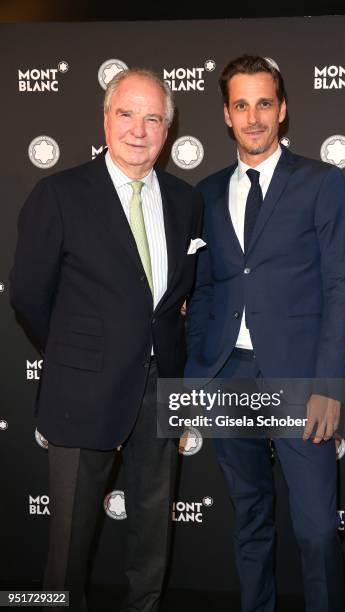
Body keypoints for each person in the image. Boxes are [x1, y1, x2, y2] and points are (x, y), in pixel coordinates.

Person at [10, 68, 202, 612]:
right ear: (105, 119)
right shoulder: (61, 194)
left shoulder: (186, 202)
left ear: (167, 129)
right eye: (126, 114)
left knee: (151, 534)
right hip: (81, 392)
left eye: (152, 118)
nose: (138, 130)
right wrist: (77, 356)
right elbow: (29, 296)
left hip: (161, 387)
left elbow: (176, 302)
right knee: (68, 541)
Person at [185, 55, 345, 612]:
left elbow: (342, 287)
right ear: (227, 115)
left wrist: (329, 385)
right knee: (251, 519)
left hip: (300, 381)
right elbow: (206, 290)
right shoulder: (207, 193)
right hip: (228, 377)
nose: (253, 116)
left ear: (282, 110)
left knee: (314, 530)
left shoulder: (320, 181)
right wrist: (196, 376)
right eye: (241, 105)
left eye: (264, 103)